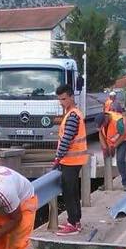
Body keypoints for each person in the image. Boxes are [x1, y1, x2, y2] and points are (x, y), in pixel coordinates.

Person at [53, 83, 88, 236]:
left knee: (68, 192)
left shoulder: (72, 115)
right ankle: (76, 221)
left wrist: (57, 158)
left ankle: (72, 223)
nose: (62, 102)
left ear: (72, 97)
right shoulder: (73, 113)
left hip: (70, 161)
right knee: (72, 191)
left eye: (64, 99)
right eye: (60, 99)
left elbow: (66, 139)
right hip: (74, 160)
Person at [98, 109, 126, 191]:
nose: (102, 127)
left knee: (120, 160)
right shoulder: (102, 121)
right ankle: (107, 183)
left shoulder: (118, 121)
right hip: (111, 141)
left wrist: (114, 146)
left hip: (123, 140)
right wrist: (105, 147)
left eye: (103, 125)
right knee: (106, 159)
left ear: (106, 119)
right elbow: (100, 133)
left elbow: (123, 135)